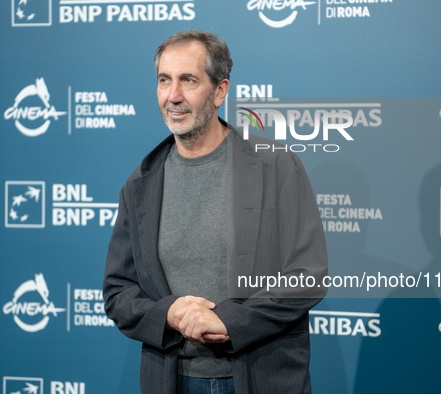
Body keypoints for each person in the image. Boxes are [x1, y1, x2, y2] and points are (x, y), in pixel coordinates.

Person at [103, 30, 327, 394]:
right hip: (173, 381)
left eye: (188, 80)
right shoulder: (139, 185)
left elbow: (307, 275)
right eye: (164, 80)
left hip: (261, 377)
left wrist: (231, 322)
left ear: (220, 91)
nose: (173, 96)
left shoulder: (276, 167)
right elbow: (118, 292)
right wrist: (169, 314)